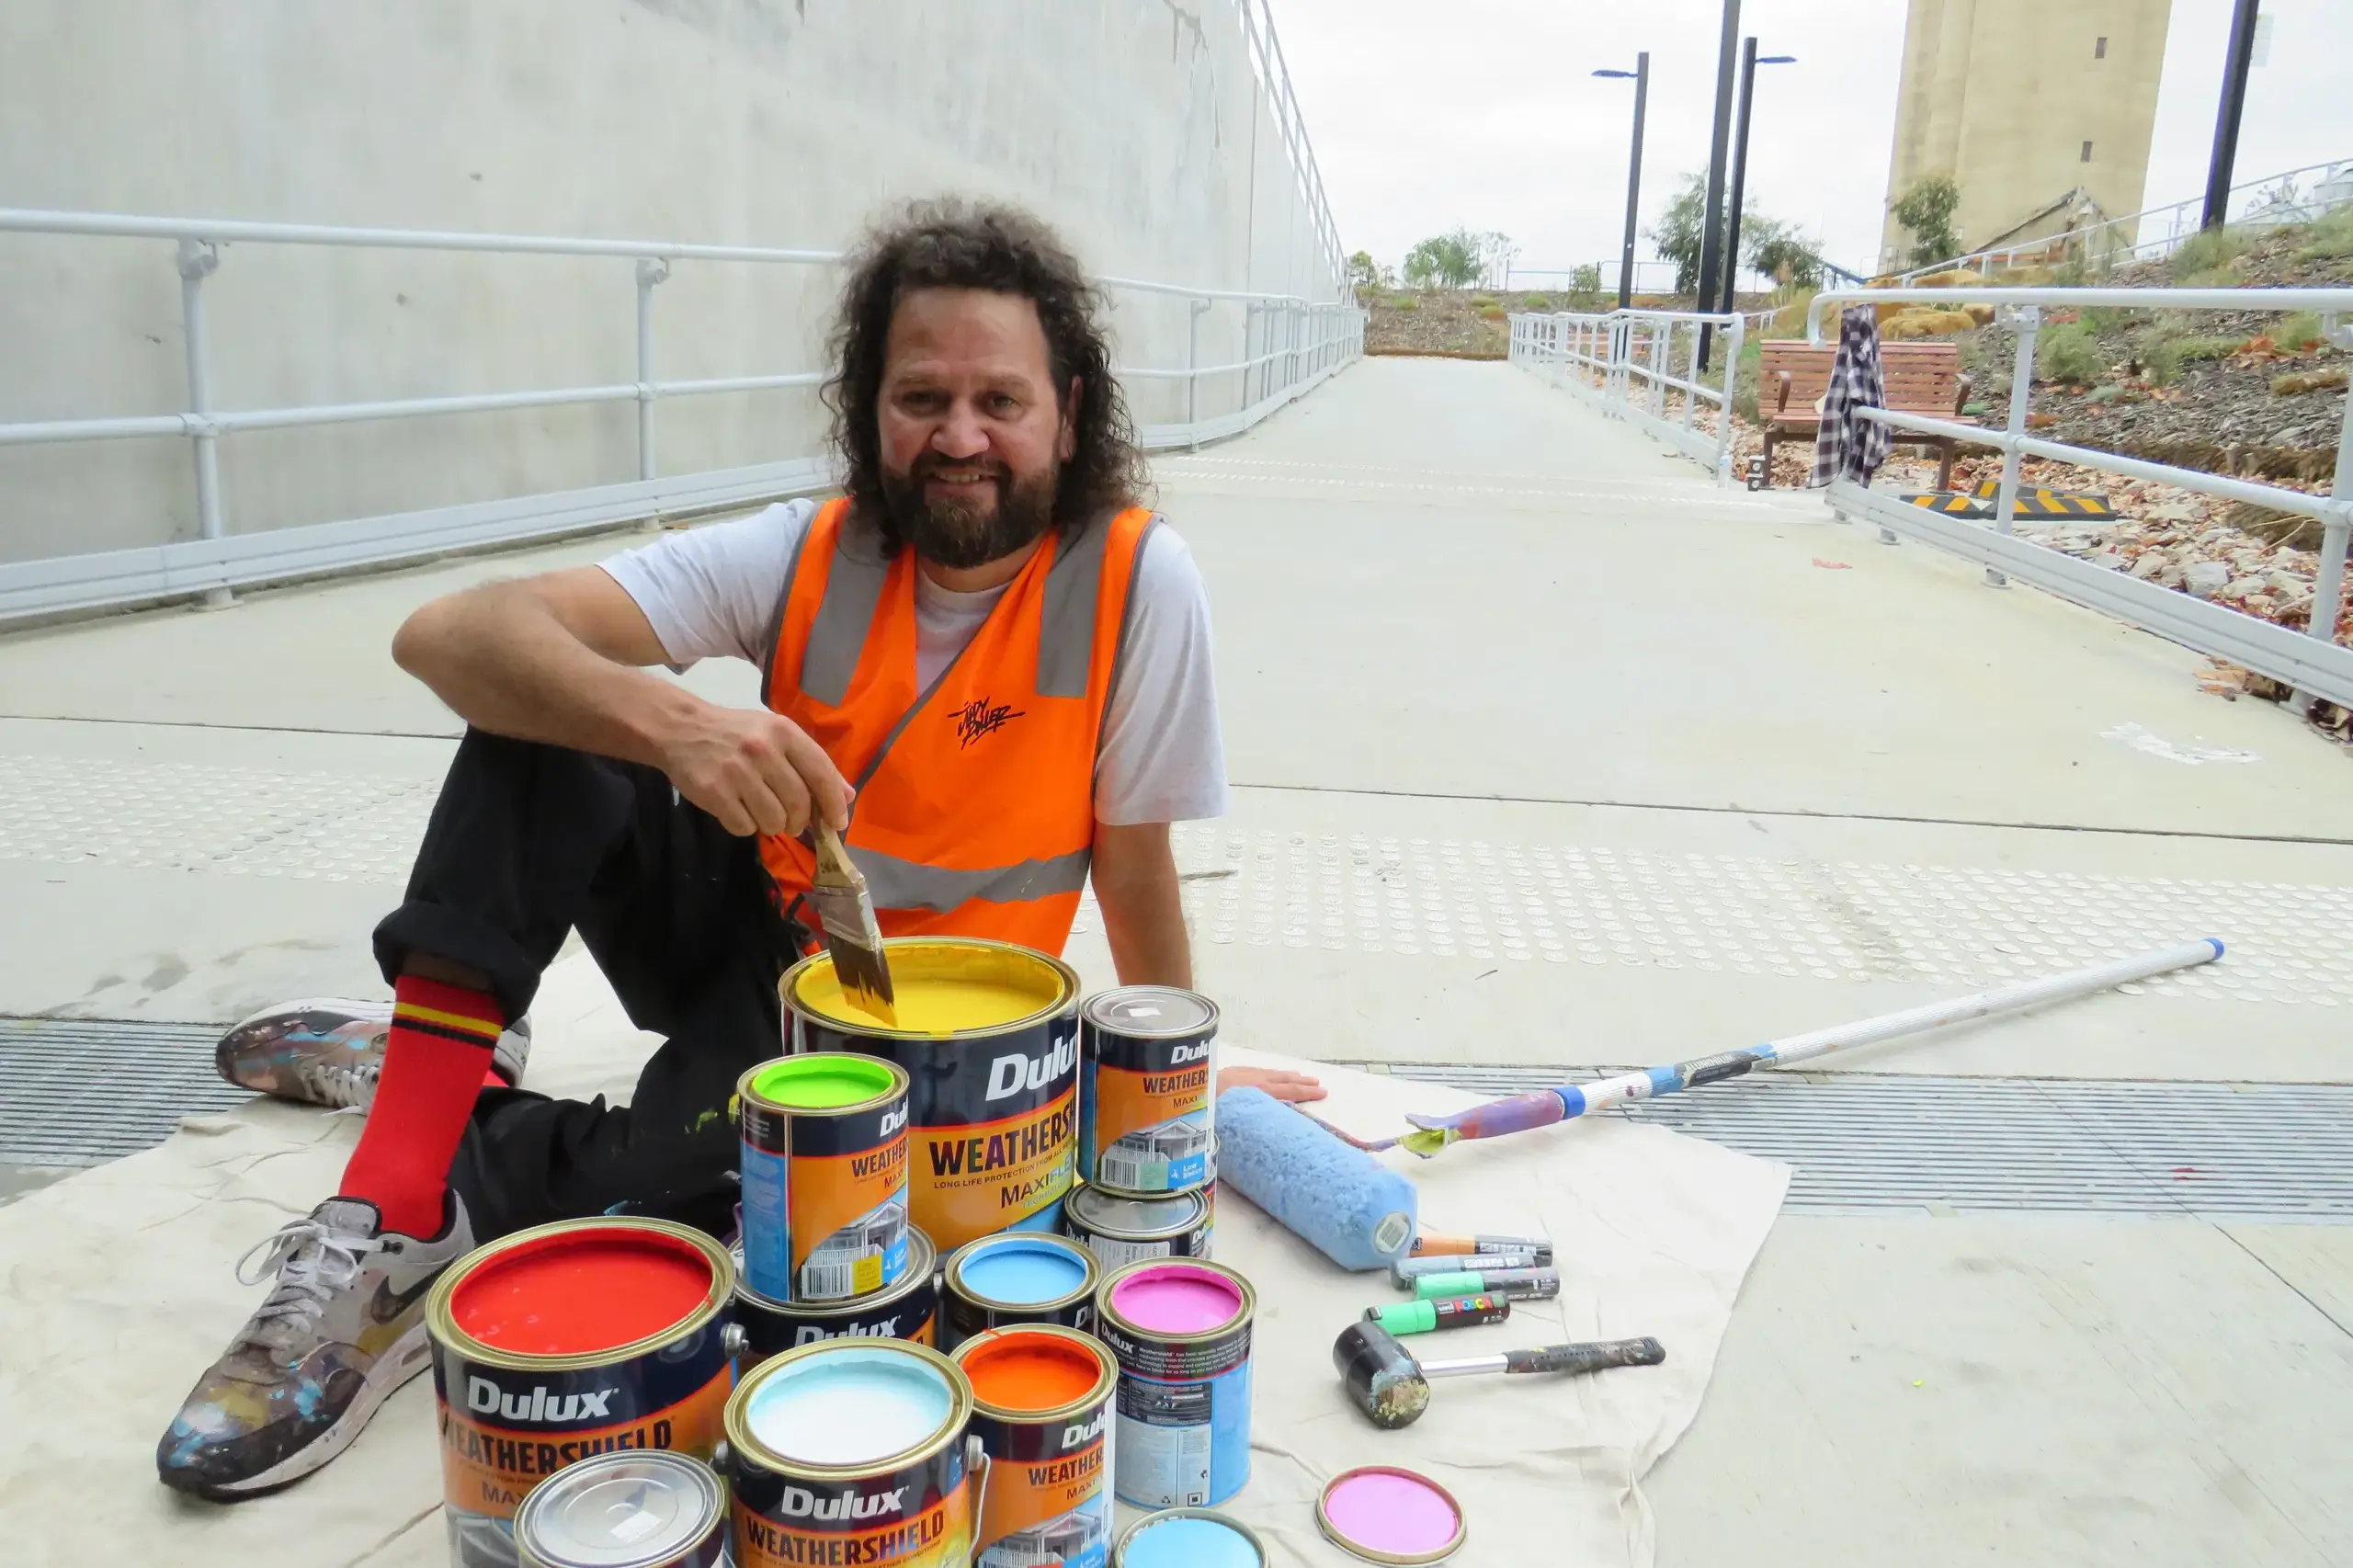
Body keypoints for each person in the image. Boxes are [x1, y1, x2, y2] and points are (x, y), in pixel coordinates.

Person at [158, 199, 1321, 1501]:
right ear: (870, 406)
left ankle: (437, 1073)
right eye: (920, 397)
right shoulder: (803, 550)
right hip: (754, 951)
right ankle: (395, 1201)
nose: (959, 436)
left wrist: (1174, 1091)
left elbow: (1136, 868)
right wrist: (673, 725)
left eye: (1001, 398)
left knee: (731, 1223)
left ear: (1070, 409)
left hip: (916, 1044)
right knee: (544, 712)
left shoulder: (1136, 581)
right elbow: (447, 634)